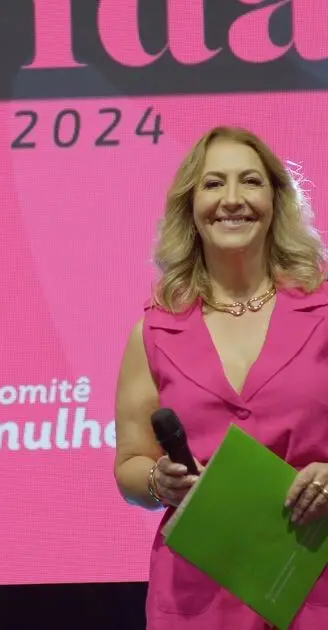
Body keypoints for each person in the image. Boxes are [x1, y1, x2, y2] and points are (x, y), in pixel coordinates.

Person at [114, 126, 328, 629]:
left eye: (250, 181)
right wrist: (157, 480)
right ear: (191, 206)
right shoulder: (154, 330)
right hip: (198, 598)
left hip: (313, 581)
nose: (232, 199)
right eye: (213, 184)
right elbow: (129, 466)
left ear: (276, 200)